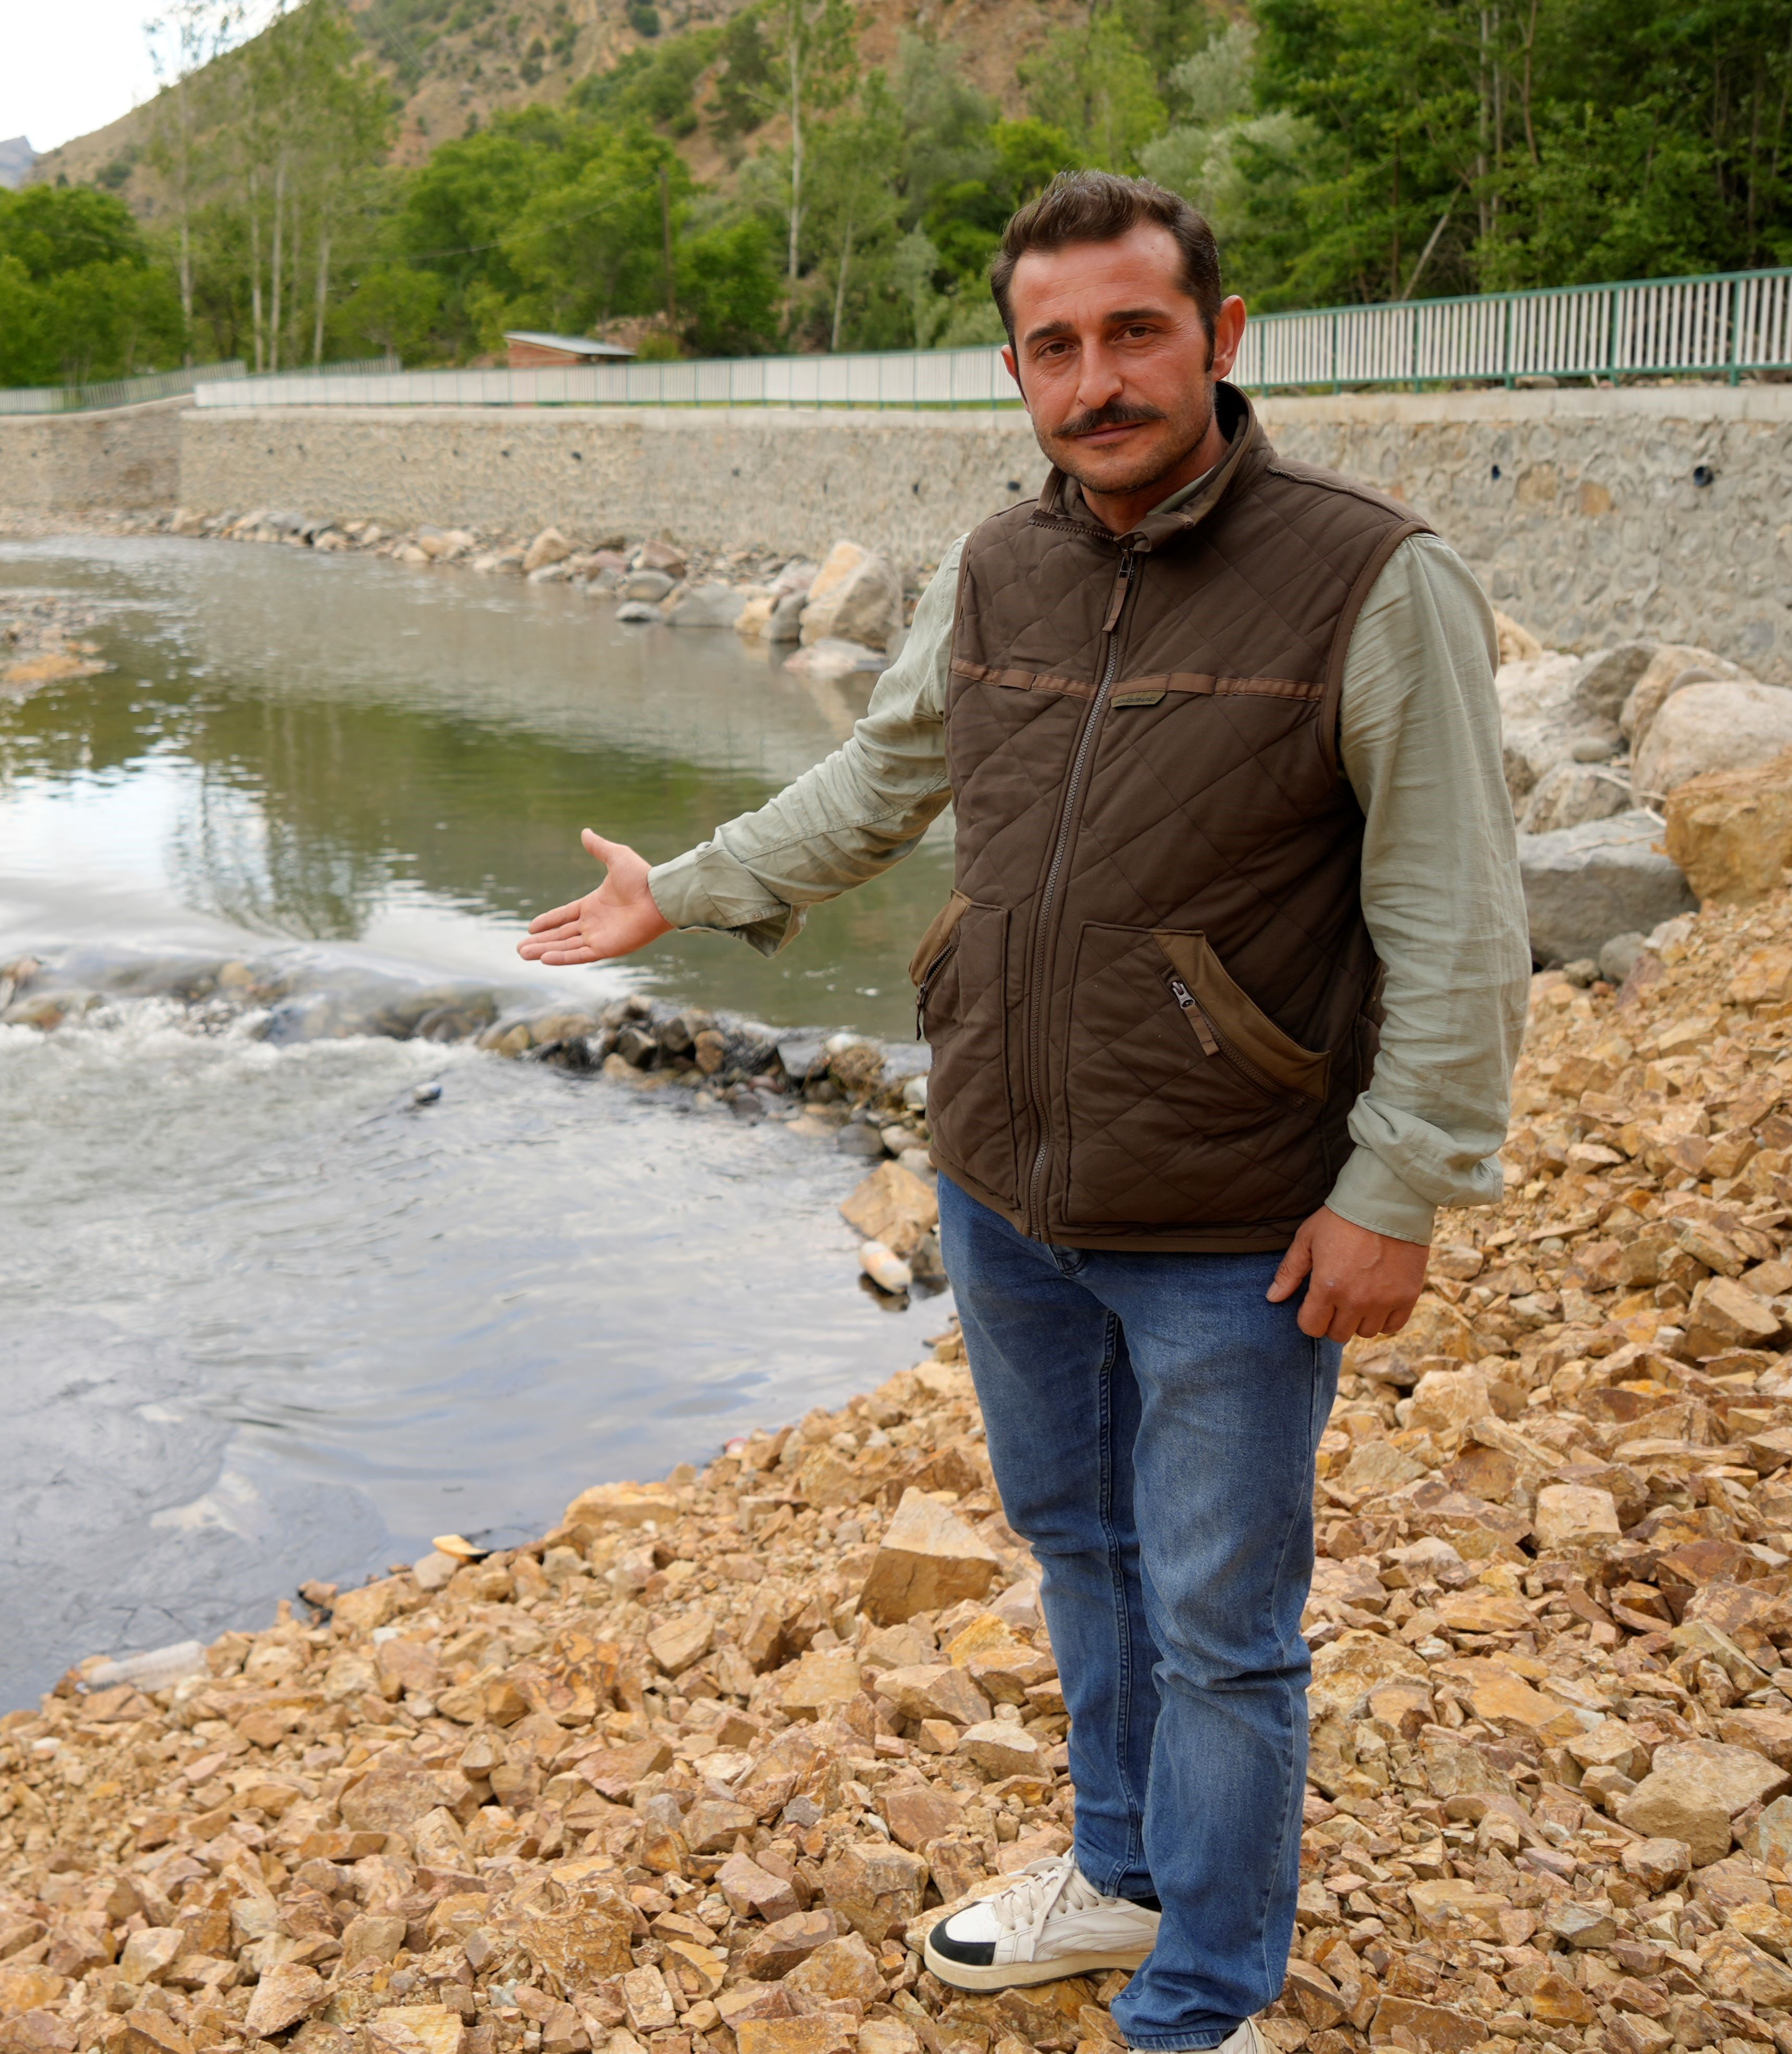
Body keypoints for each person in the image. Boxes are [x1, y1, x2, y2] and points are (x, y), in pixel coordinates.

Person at [517, 172, 1528, 2054]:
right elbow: (889, 776)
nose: (1097, 379)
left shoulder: (1375, 578)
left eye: (1136, 332)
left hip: (1236, 1217)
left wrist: (1403, 1189)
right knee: (1083, 1554)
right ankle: (1125, 1873)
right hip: (1002, 1179)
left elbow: (1461, 921)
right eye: (1054, 347)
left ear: (1221, 342)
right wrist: (696, 885)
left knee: (1227, 1626)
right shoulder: (1001, 568)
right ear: (1016, 370)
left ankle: (1211, 1994)